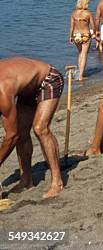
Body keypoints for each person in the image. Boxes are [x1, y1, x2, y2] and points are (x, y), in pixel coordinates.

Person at [0, 58, 65, 198]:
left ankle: (57, 181)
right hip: (26, 89)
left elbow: (11, 135)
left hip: (49, 79)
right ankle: (26, 180)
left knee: (40, 128)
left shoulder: (3, 91)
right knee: (22, 132)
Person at [69, 0, 95, 81]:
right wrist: (94, 33)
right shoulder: (88, 13)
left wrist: (70, 36)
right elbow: (93, 25)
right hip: (85, 35)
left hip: (76, 35)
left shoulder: (74, 13)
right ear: (85, 3)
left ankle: (79, 72)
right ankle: (80, 76)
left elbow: (71, 27)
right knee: (84, 54)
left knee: (80, 53)